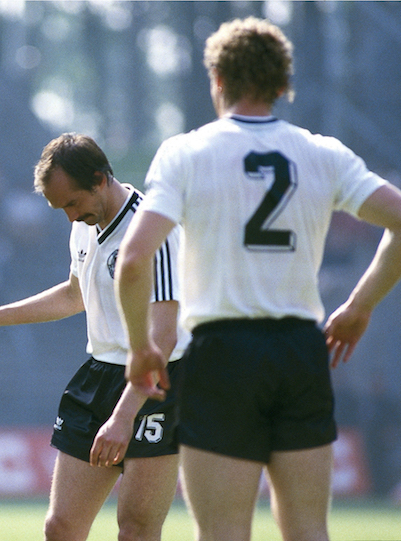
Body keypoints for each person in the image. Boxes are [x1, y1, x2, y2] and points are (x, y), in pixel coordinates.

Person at [114, 17, 401, 541]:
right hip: (300, 350)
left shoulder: (186, 153)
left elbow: (134, 262)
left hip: (221, 353)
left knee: (223, 532)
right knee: (309, 529)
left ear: (217, 79)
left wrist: (140, 348)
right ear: (282, 84)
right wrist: (361, 305)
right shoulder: (323, 153)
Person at [0, 133, 190, 541]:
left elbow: (164, 337)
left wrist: (123, 418)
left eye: (72, 203)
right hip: (99, 373)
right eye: (60, 208)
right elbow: (74, 293)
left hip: (156, 386)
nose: (69, 217)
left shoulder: (155, 229)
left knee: (136, 529)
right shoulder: (84, 225)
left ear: (100, 179)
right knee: (61, 527)